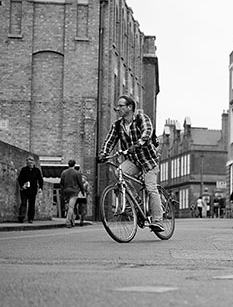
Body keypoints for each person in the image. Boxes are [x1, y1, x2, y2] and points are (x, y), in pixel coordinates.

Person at [97, 95, 164, 232]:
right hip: (133, 161)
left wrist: (138, 143)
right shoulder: (117, 125)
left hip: (148, 161)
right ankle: (136, 202)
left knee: (151, 188)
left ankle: (158, 221)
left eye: (121, 106)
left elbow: (147, 132)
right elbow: (110, 141)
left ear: (130, 107)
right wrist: (103, 153)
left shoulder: (141, 118)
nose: (118, 108)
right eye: (118, 106)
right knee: (119, 172)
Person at [17, 156, 44, 223]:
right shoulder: (24, 170)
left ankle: (30, 218)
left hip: (33, 190)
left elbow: (40, 180)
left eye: (31, 163)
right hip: (24, 190)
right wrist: (22, 186)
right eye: (28, 163)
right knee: (23, 203)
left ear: (33, 163)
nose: (30, 164)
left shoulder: (37, 170)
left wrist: (40, 188)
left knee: (31, 205)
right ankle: (21, 216)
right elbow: (20, 178)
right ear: (27, 163)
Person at [60, 160, 85, 228]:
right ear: (74, 165)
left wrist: (62, 192)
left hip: (66, 191)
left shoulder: (64, 173)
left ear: (68, 164)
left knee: (69, 207)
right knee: (71, 207)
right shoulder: (77, 173)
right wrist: (83, 192)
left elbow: (61, 183)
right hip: (74, 192)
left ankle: (72, 222)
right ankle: (68, 222)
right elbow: (80, 183)